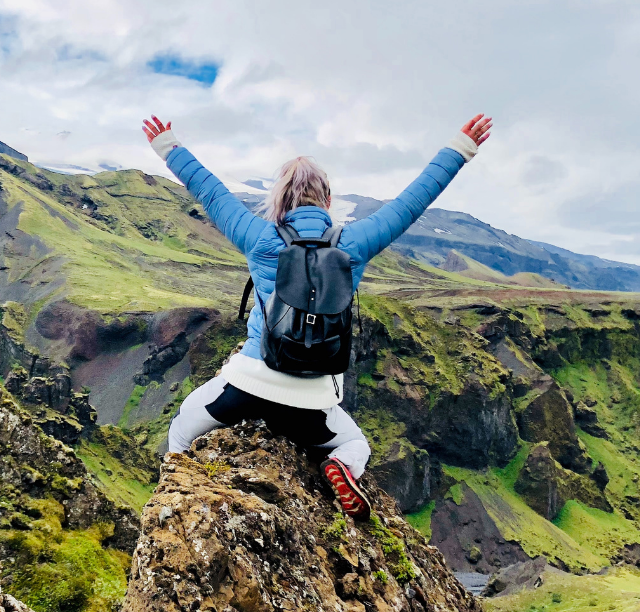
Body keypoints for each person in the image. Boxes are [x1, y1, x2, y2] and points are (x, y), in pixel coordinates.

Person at [144, 113, 493, 519]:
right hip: (311, 404)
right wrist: (461, 148)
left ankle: (177, 509)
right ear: (328, 201)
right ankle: (339, 467)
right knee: (355, 444)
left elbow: (211, 191)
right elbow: (412, 202)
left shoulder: (258, 237)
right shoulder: (354, 243)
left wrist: (168, 146)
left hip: (247, 387)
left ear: (279, 202)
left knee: (182, 430)